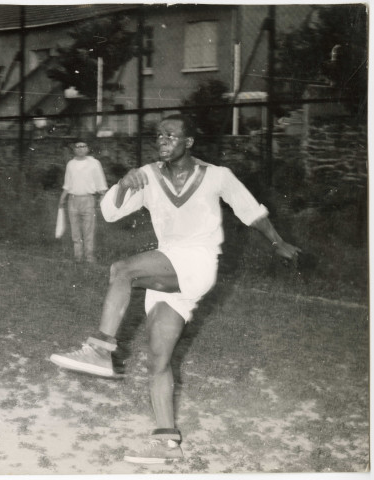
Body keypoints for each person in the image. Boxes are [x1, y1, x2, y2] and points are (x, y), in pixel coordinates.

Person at [50, 114, 301, 463]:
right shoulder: (148, 176)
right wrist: (124, 184)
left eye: (171, 135)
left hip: (198, 263)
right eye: (159, 136)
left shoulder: (217, 176)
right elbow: (109, 214)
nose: (163, 140)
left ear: (189, 142)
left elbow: (250, 211)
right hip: (166, 272)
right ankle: (167, 441)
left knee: (122, 270)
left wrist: (278, 243)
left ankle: (101, 349)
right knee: (158, 358)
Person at [58, 140, 108, 262]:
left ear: (87, 148)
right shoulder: (70, 164)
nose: (80, 149)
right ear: (74, 149)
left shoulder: (94, 163)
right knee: (75, 231)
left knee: (88, 230)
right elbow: (67, 184)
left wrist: (103, 197)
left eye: (83, 146)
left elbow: (100, 183)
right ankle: (78, 257)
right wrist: (62, 199)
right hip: (73, 201)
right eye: (78, 147)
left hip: (88, 200)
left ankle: (89, 256)